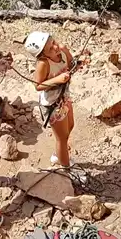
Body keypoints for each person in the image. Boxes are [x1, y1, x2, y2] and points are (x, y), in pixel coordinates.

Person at [24, 31, 75, 168]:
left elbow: (72, 65)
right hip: (52, 104)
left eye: (53, 42)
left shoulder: (63, 51)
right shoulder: (43, 63)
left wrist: (81, 62)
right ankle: (66, 168)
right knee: (62, 138)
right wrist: (57, 79)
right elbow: (38, 85)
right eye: (50, 49)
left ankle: (59, 153)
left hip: (64, 97)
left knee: (70, 125)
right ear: (43, 55)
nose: (55, 47)